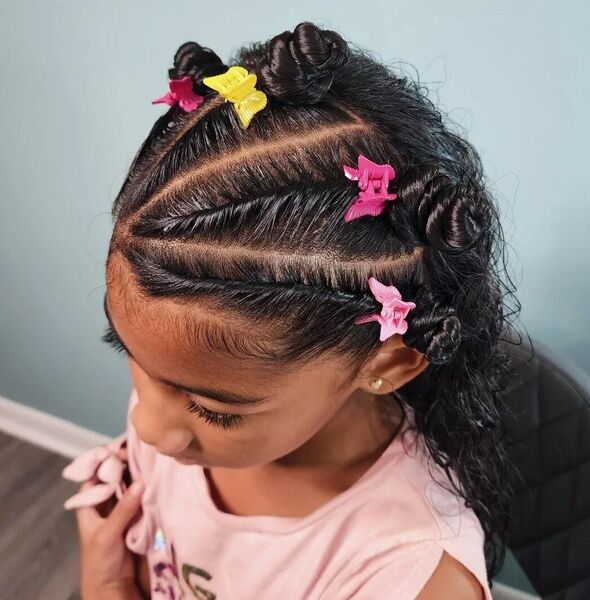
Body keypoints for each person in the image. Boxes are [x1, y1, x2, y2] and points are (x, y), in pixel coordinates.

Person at [61, 20, 521, 599]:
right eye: (130, 355)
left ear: (392, 361)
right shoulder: (184, 394)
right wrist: (108, 573)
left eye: (212, 410)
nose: (146, 426)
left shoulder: (409, 576)